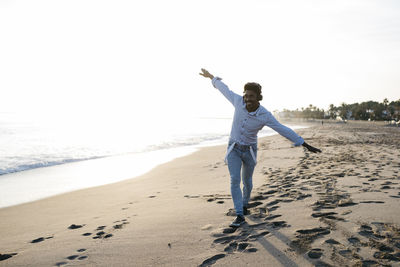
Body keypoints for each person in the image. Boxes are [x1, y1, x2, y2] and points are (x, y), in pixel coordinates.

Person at [199, 68, 321, 227]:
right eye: (246, 95)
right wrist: (212, 78)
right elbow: (224, 89)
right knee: (235, 180)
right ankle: (239, 215)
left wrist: (303, 143)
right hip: (233, 148)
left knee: (247, 181)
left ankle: (244, 204)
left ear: (258, 98)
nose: (247, 99)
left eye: (251, 96)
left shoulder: (265, 115)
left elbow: (281, 128)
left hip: (250, 151)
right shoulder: (237, 101)